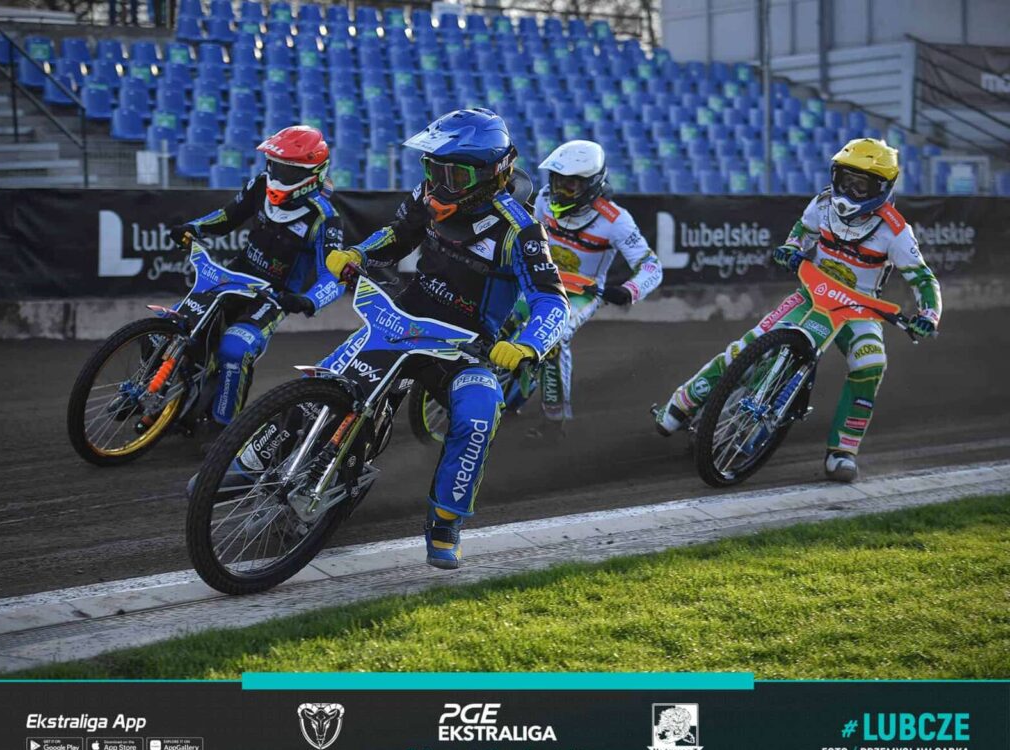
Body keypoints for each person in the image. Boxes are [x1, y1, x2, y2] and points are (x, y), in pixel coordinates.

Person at [323, 107, 569, 569]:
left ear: (492, 174)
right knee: (328, 377)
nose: (437, 183)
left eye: (452, 174)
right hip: (404, 316)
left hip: (465, 346)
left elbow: (553, 302)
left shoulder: (520, 230)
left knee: (480, 415)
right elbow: (398, 235)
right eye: (433, 168)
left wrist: (527, 345)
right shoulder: (426, 194)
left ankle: (445, 522)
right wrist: (357, 254)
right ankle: (250, 463)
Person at [652, 138, 942, 482]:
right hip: (811, 295)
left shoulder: (896, 231)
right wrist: (791, 248)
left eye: (860, 185)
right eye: (845, 179)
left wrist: (929, 314)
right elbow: (802, 232)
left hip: (858, 310)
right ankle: (682, 403)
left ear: (881, 187)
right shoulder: (822, 203)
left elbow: (923, 278)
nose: (848, 190)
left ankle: (843, 451)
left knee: (871, 364)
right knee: (748, 346)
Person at [170, 125, 345, 428]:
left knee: (234, 350)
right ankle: (168, 396)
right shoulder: (260, 184)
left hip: (273, 297)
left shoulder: (324, 218)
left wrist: (308, 300)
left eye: (287, 170)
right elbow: (227, 217)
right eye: (274, 165)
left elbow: (334, 276)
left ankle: (225, 428)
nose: (276, 174)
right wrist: (194, 228)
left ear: (312, 174)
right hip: (234, 276)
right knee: (173, 326)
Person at [533, 140, 662, 424]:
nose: (559, 191)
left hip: (583, 291)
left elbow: (652, 267)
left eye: (570, 185)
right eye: (557, 181)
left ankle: (556, 419)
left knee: (555, 336)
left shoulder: (616, 220)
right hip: (540, 278)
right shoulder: (543, 198)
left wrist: (629, 291)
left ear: (591, 184)